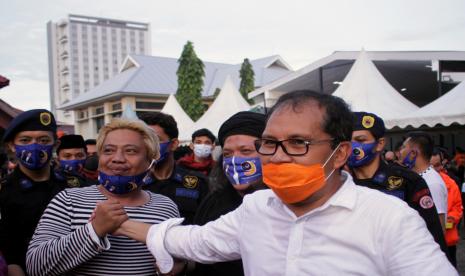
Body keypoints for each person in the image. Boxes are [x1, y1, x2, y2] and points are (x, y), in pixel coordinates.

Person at [116, 90, 456, 275]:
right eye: (269, 143)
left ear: (339, 154)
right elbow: (196, 241)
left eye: (298, 143)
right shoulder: (257, 208)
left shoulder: (388, 218)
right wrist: (120, 224)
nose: (277, 156)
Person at [26, 118, 179, 275]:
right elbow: (35, 267)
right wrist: (94, 230)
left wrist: (180, 266)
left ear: (150, 160)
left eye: (130, 151)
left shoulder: (166, 207)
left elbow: (180, 260)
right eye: (108, 150)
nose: (117, 158)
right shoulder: (68, 201)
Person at [348, 111, 448, 255]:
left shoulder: (408, 181)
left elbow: (433, 235)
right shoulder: (340, 183)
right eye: (348, 140)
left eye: (361, 140)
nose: (354, 146)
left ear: (380, 144)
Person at [190, 111, 267, 276]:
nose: (234, 160)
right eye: (227, 154)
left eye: (245, 151)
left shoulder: (286, 204)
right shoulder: (213, 202)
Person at [0, 109, 67, 275]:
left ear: (55, 145)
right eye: (25, 140)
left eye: (43, 140)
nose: (35, 146)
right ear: (12, 146)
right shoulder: (4, 192)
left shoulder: (75, 185)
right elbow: (9, 251)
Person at [139, 112, 209, 225]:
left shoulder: (198, 183)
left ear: (174, 144)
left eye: (156, 139)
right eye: (144, 140)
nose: (149, 146)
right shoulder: (135, 184)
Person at [399, 131, 448, 230]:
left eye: (403, 147)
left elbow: (439, 225)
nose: (400, 151)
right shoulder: (415, 177)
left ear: (413, 153)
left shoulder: (432, 183)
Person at [431, 147, 463, 267]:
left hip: (448, 239)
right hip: (428, 240)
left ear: (443, 163)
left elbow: (458, 207)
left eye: (438, 165)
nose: (435, 169)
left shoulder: (451, 183)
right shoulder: (418, 182)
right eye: (431, 166)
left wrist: (451, 218)